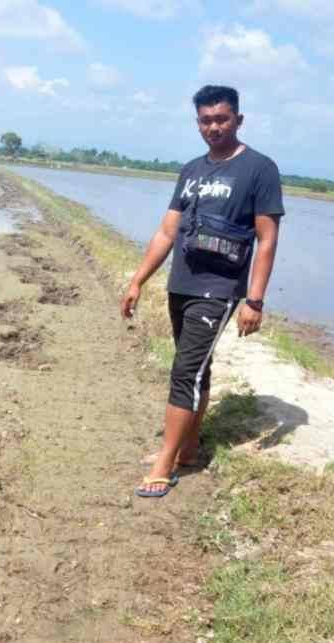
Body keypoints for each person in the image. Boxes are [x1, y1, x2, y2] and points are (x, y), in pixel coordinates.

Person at [120, 85, 283, 498]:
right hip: (182, 283)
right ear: (198, 123)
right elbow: (167, 231)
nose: (214, 127)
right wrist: (139, 279)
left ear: (238, 120)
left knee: (184, 371)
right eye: (206, 120)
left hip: (219, 287)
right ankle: (188, 447)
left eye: (222, 119)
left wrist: (255, 300)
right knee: (196, 368)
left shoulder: (259, 169)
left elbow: (267, 239)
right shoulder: (191, 170)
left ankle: (164, 461)